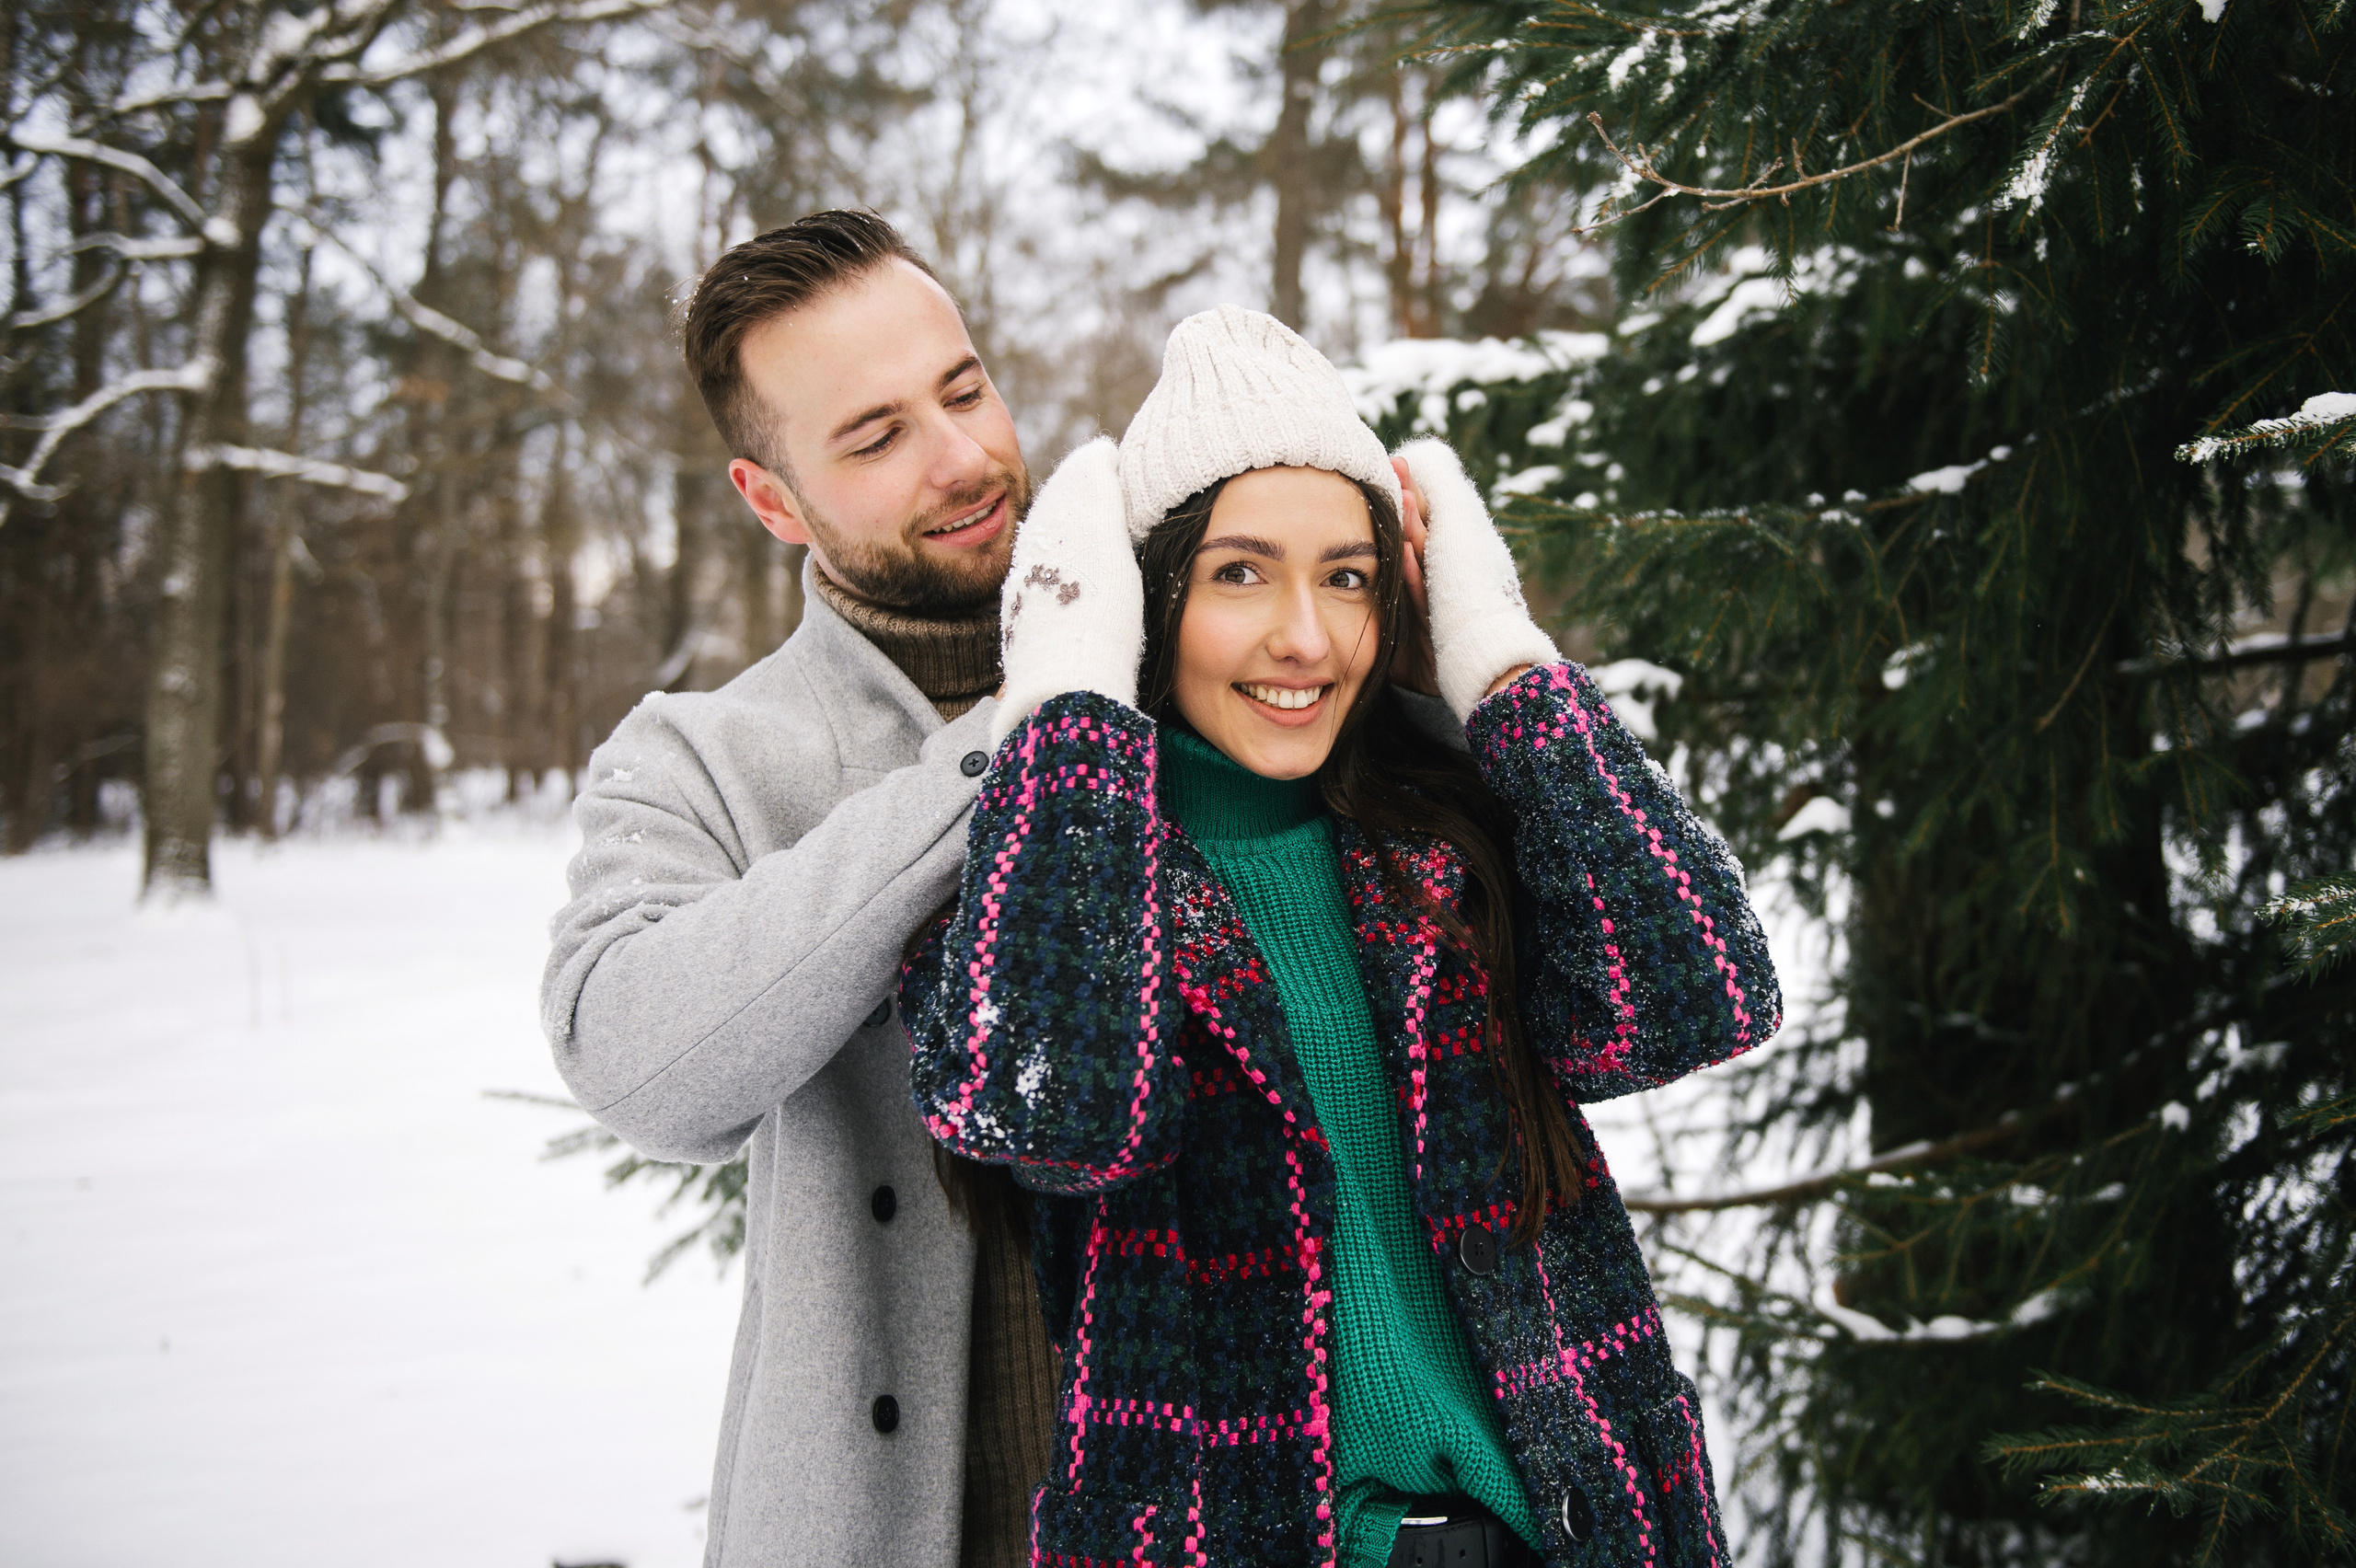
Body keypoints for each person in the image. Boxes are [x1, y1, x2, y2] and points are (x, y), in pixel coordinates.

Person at [900, 306, 1781, 1567]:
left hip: (1574, 1531)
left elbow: (1703, 1000)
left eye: (1347, 577)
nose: (1306, 638)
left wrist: (1501, 665)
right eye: (1240, 573)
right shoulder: (1041, 902)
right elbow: (1056, 1116)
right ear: (1149, 599)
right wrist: (1069, 698)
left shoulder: (1448, 849)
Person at [542, 210, 1057, 1568]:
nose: (963, 459)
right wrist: (1006, 745)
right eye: (876, 438)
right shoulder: (699, 756)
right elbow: (635, 1064)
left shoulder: (1205, 663)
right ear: (772, 501)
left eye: (964, 392)